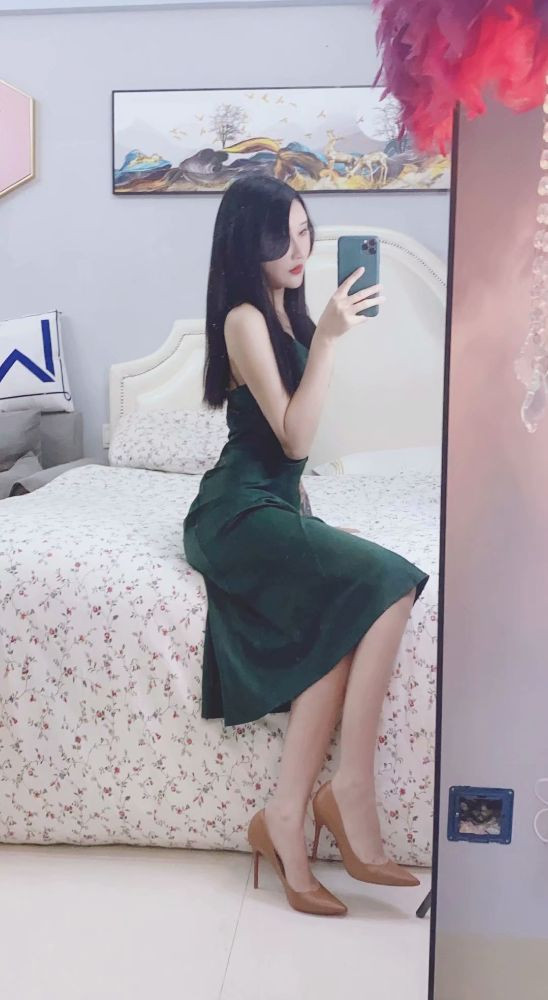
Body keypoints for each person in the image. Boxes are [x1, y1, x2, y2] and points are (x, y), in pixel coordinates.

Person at [183, 174, 429, 916]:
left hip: (274, 505)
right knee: (393, 579)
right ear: (244, 243)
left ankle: (287, 813)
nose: (299, 249)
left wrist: (308, 527)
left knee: (352, 601)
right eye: (279, 237)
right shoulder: (243, 320)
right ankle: (348, 789)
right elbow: (292, 437)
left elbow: (293, 462)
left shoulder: (285, 315)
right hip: (232, 512)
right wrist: (327, 341)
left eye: (304, 231)